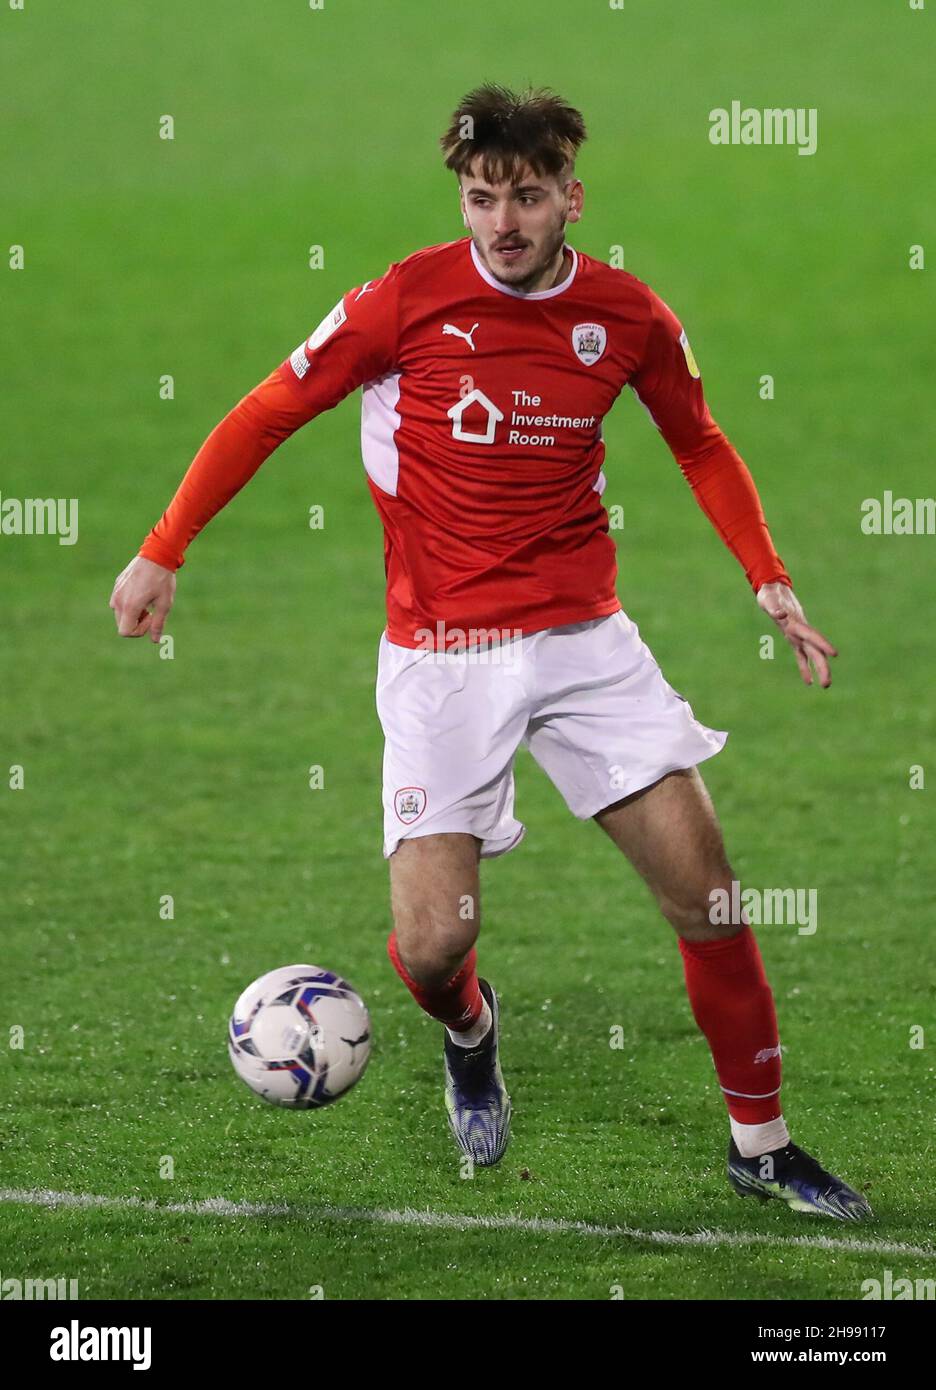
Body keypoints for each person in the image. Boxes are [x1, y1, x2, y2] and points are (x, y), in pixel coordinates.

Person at [110, 83, 870, 1221]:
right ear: (460, 198)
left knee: (709, 897)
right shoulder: (403, 302)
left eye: (525, 198)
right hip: (440, 657)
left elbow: (700, 442)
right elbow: (270, 406)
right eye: (480, 199)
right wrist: (163, 548)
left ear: (571, 195)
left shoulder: (629, 319)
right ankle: (470, 1027)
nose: (502, 224)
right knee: (426, 949)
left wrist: (771, 582)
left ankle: (758, 1145)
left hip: (584, 644)